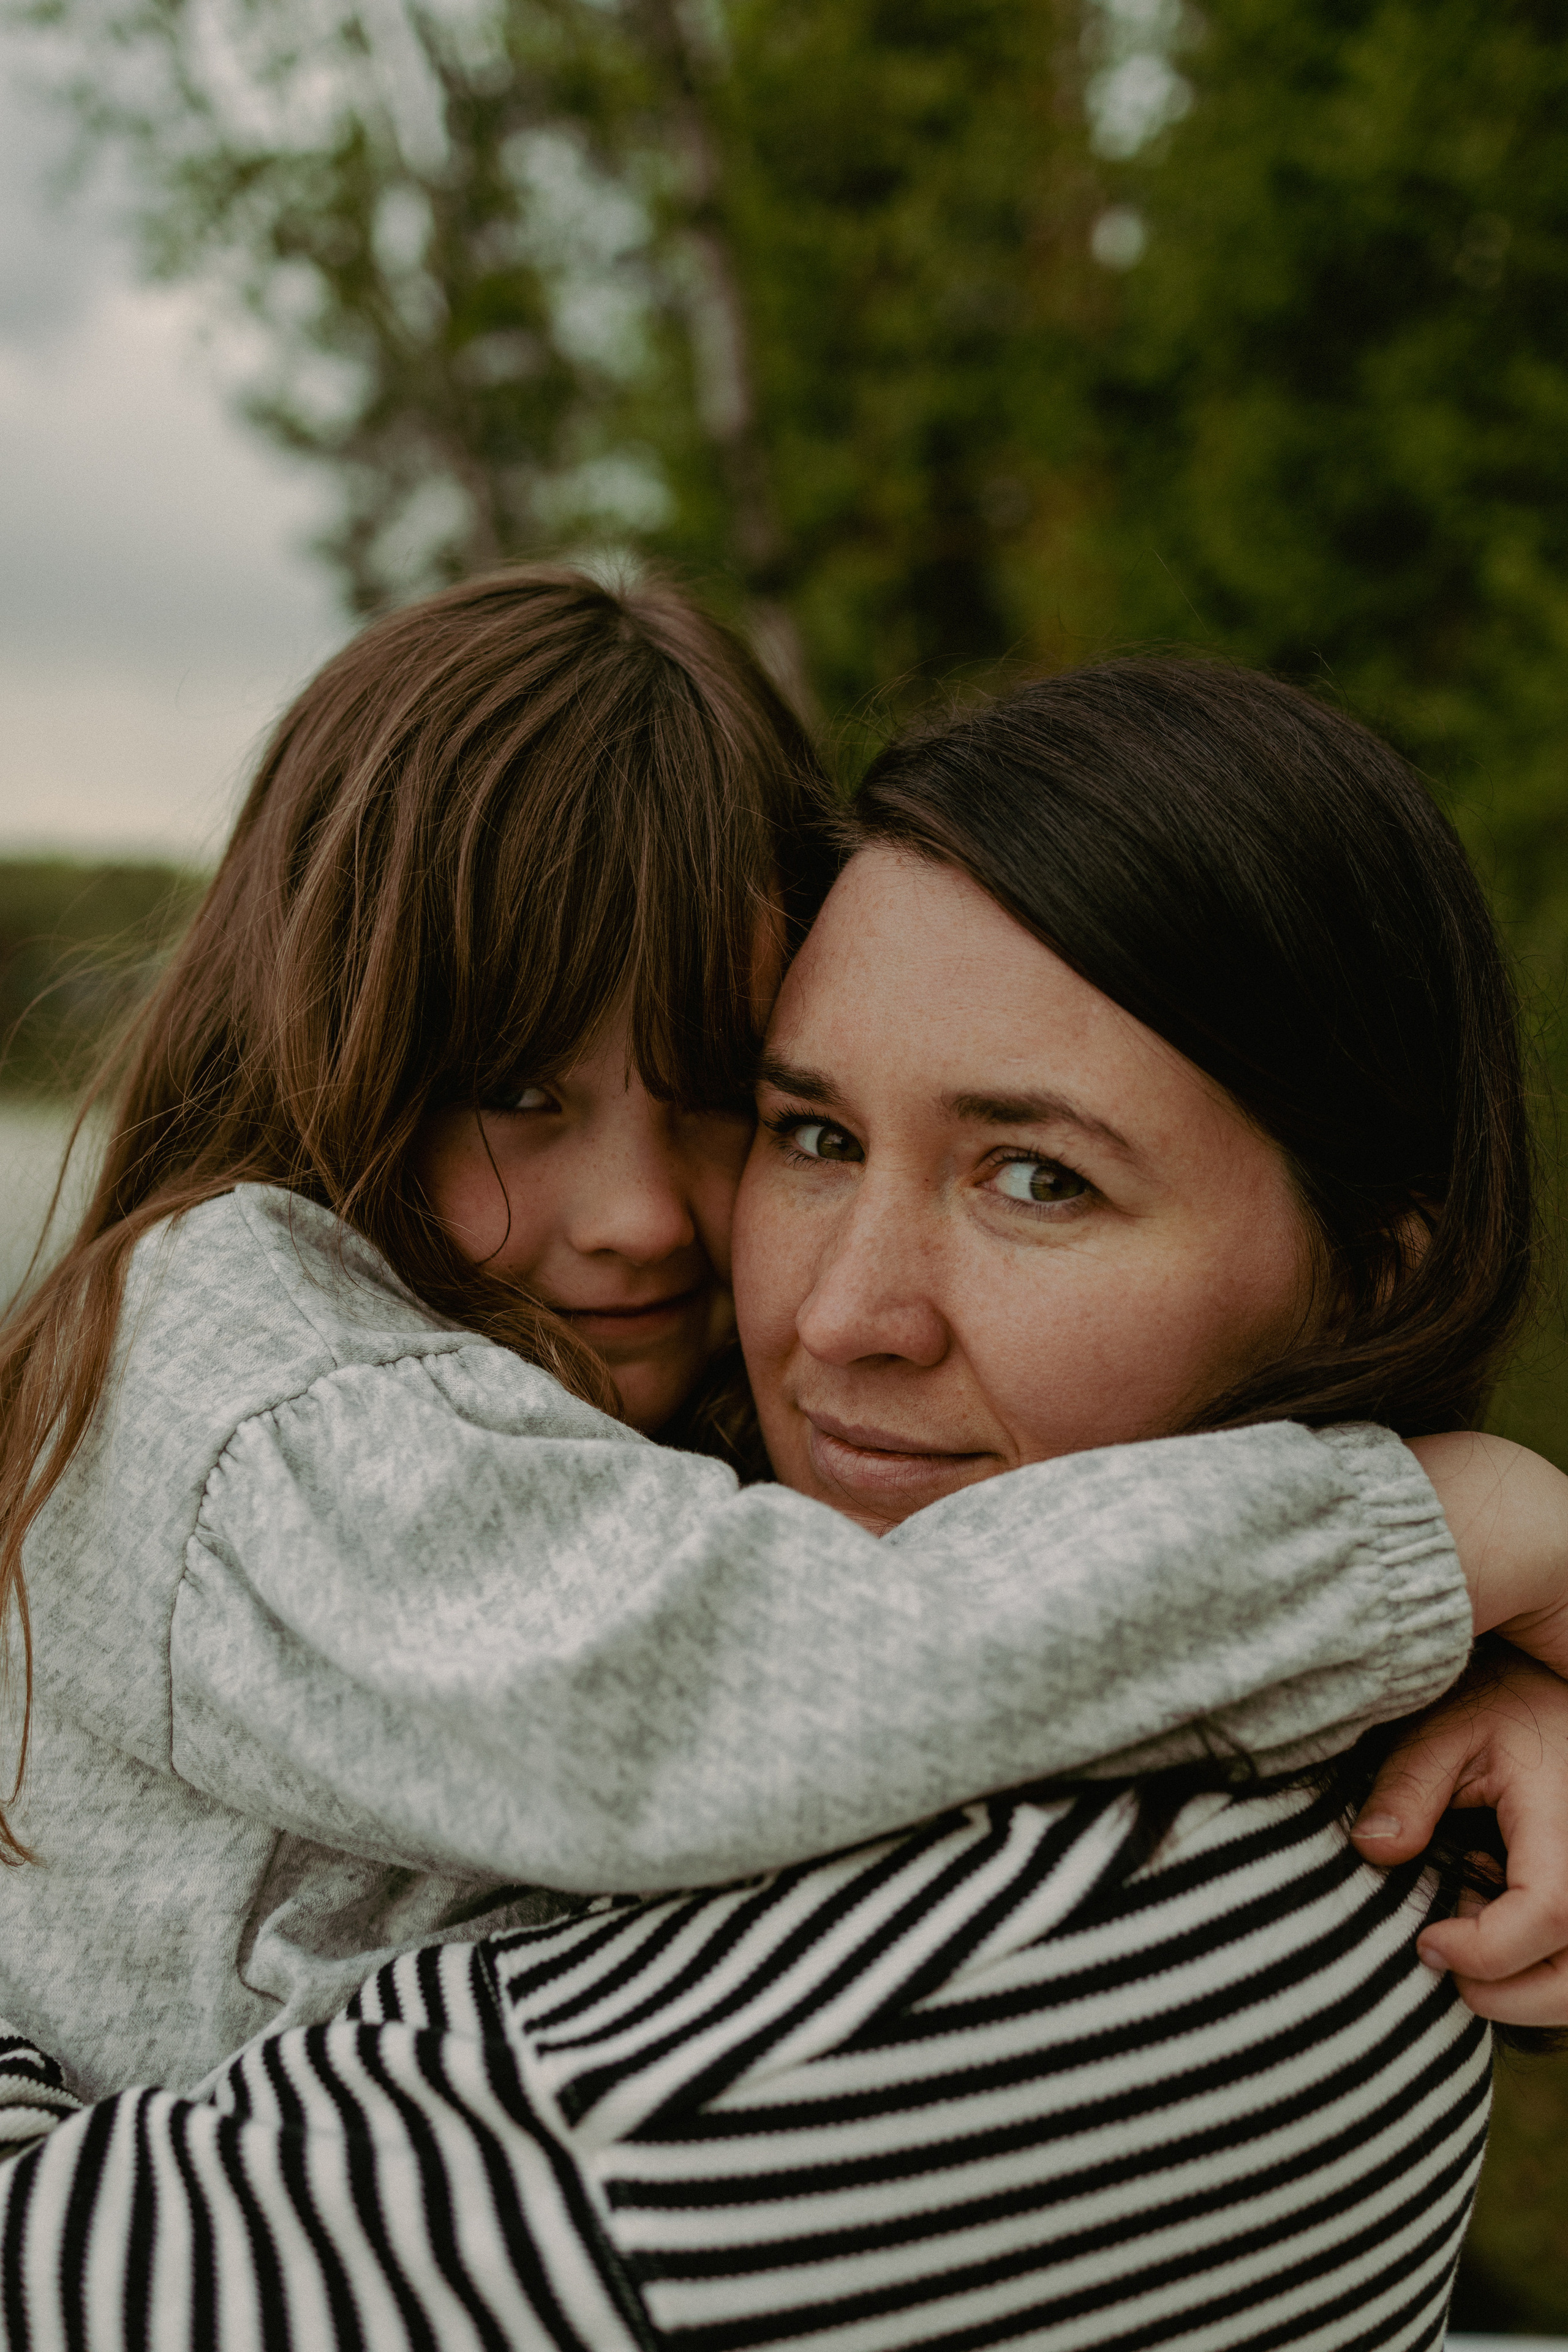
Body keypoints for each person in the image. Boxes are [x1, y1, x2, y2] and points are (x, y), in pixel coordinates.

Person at [0, 655, 1566, 2352]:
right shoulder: (338, 1411)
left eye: (1041, 1179)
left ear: (1367, 1279)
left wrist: (1413, 1567)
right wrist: (1431, 1567)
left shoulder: (1068, 1963)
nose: (835, 1318)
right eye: (811, 1133)